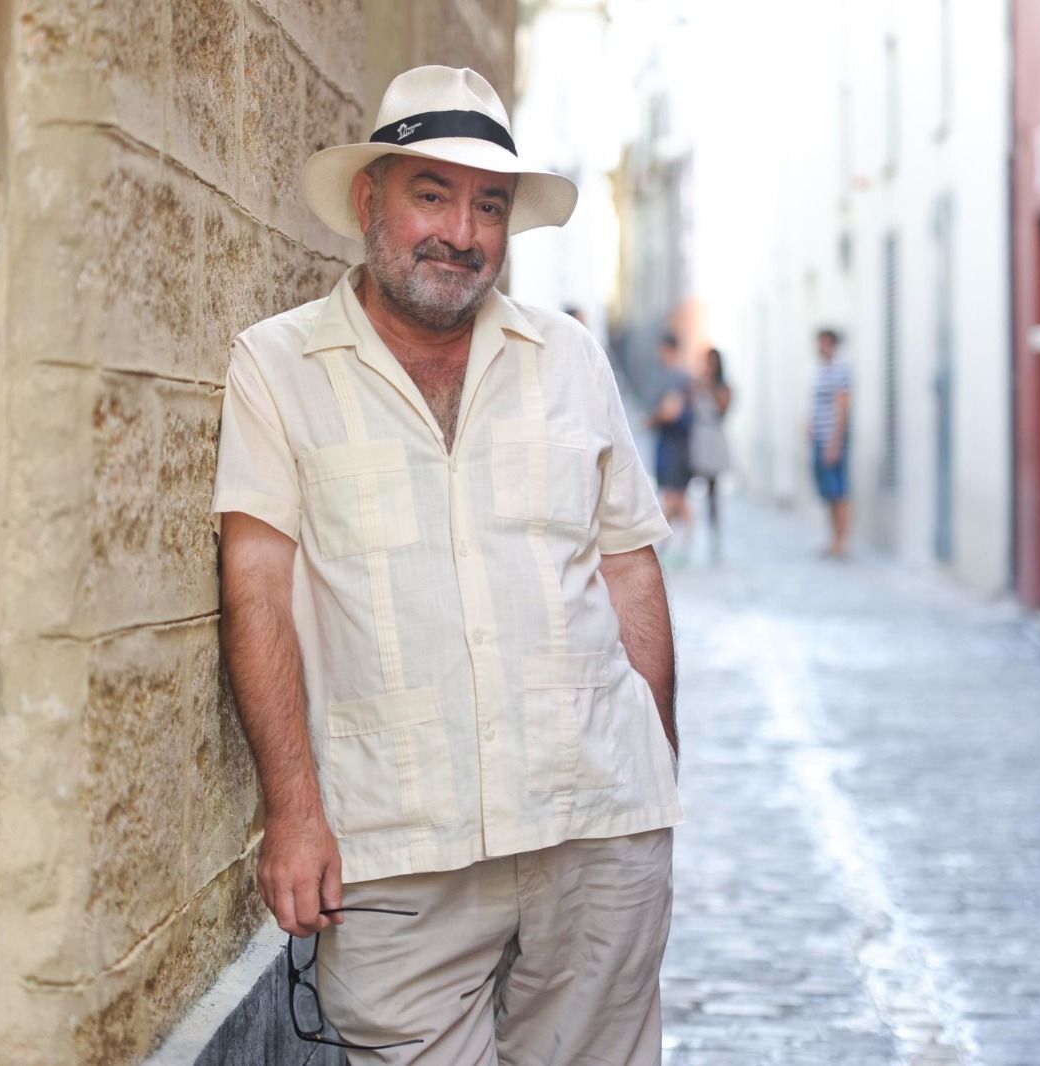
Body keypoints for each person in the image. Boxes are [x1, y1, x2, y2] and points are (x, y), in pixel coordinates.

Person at [209, 66, 681, 1065]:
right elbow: (255, 587)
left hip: (591, 825)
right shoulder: (279, 367)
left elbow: (628, 569)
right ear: (368, 201)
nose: (461, 232)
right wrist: (292, 811)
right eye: (432, 194)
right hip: (394, 847)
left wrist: (654, 768)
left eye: (489, 206)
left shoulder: (569, 359)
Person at [648, 332, 695, 557]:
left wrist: (660, 415)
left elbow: (672, 412)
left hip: (677, 444)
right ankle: (680, 540)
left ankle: (668, 542)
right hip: (667, 442)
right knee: (675, 496)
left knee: (674, 496)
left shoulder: (681, 378)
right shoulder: (664, 376)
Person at [810, 327, 851, 557]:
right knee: (828, 492)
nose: (819, 347)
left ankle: (841, 541)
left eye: (822, 343)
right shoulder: (822, 371)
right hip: (821, 439)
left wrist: (835, 442)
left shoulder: (840, 370)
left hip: (832, 441)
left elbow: (843, 406)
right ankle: (833, 539)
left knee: (839, 491)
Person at [689, 347, 733, 560]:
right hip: (699, 438)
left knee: (713, 490)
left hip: (713, 439)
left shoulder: (722, 387)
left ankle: (714, 536)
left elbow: (724, 409)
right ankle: (691, 532)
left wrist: (710, 387)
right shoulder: (696, 383)